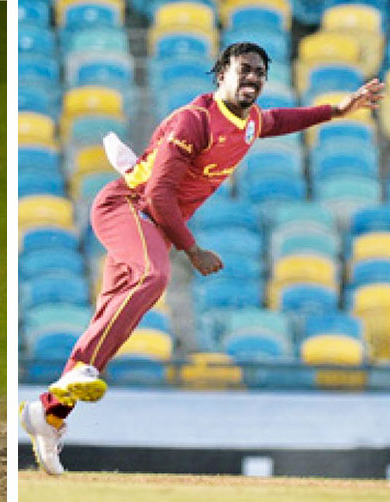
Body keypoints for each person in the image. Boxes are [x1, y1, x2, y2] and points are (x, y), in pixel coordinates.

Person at [20, 42, 385, 476]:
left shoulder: (249, 121)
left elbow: (280, 120)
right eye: (243, 70)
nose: (251, 79)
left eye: (259, 73)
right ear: (221, 75)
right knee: (153, 278)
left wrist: (336, 111)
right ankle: (76, 373)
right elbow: (157, 194)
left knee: (111, 324)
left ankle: (48, 414)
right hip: (127, 209)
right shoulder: (194, 121)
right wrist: (192, 249)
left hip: (151, 224)